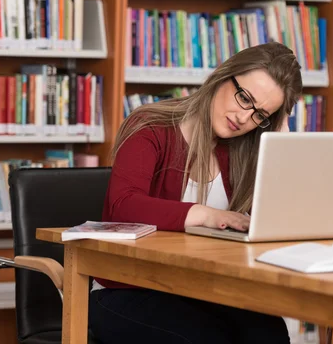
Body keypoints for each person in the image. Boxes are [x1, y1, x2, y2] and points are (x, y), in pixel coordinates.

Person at [88, 42, 304, 344]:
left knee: (269, 333)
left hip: (201, 290)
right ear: (221, 76)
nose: (244, 118)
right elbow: (124, 205)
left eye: (260, 114)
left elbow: (274, 222)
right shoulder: (150, 126)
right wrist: (206, 215)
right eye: (244, 98)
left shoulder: (243, 151)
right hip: (126, 291)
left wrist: (279, 137)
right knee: (206, 338)